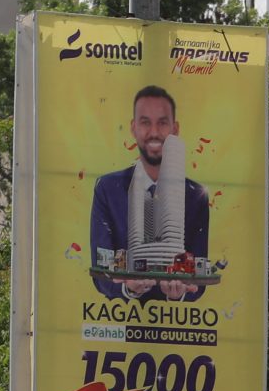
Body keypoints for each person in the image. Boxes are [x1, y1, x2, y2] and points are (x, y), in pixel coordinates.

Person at [89, 84, 210, 302]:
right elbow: (101, 271)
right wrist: (127, 289)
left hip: (174, 321)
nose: (154, 132)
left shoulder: (196, 196)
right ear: (133, 128)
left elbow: (198, 275)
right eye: (145, 122)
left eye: (162, 123)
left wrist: (180, 293)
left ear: (175, 129)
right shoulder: (107, 189)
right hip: (118, 319)